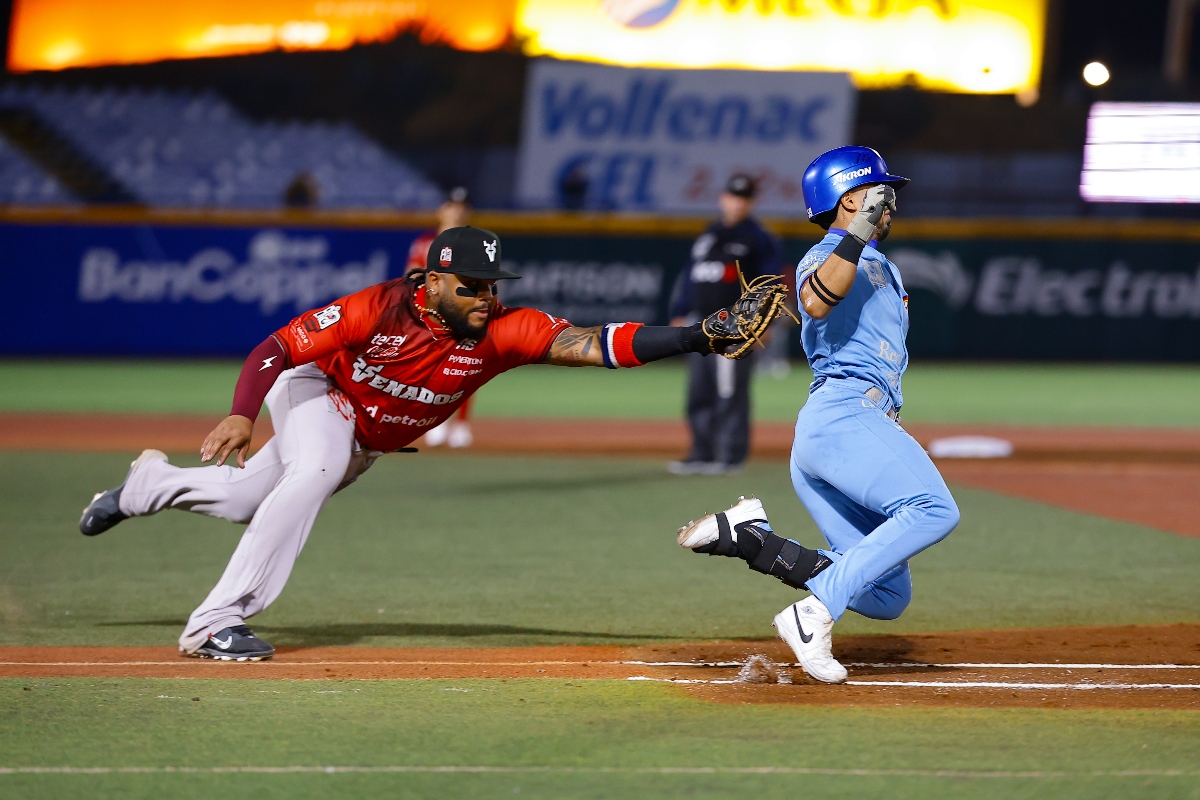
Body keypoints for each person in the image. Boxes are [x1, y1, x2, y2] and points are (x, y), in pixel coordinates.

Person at [78, 226, 765, 661]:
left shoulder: (503, 331)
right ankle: (214, 624)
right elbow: (277, 346)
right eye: (470, 287)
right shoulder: (378, 308)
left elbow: (599, 343)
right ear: (433, 282)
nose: (485, 298)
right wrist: (241, 414)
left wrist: (695, 337)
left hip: (367, 437)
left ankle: (148, 485)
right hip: (317, 391)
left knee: (243, 502)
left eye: (492, 286)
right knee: (314, 469)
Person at [675, 147, 960, 684]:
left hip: (843, 429)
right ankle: (814, 612)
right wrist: (855, 233)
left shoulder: (873, 259)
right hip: (843, 414)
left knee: (886, 595)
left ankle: (754, 540)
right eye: (879, 192)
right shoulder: (829, 253)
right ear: (850, 199)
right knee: (932, 509)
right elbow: (813, 300)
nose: (890, 202)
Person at [667, 174, 783, 476]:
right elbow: (691, 276)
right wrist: (681, 310)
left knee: (730, 390)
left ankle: (729, 455)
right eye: (733, 196)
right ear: (723, 199)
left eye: (744, 198)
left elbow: (769, 283)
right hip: (700, 322)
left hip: (737, 325)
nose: (737, 203)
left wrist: (765, 322)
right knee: (699, 390)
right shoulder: (709, 235)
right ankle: (701, 452)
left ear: (751, 203)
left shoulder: (759, 238)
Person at [406, 186, 475, 447]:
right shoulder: (424, 243)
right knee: (430, 370)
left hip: (461, 312)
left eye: (462, 206)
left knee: (466, 368)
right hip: (430, 313)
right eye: (451, 205)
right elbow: (410, 277)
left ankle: (461, 424)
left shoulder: (475, 245)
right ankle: (436, 421)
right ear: (440, 210)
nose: (456, 211)